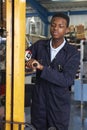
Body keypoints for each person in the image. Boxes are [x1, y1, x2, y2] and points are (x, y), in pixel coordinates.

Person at [26, 12, 80, 130]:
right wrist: (28, 60)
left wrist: (42, 68)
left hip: (58, 104)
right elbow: (26, 55)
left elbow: (66, 80)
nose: (56, 28)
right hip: (39, 101)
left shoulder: (72, 53)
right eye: (53, 25)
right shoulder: (40, 45)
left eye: (60, 26)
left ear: (66, 30)